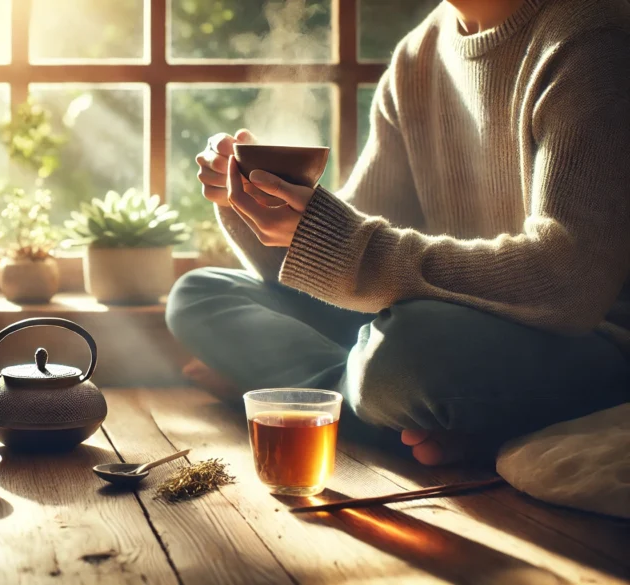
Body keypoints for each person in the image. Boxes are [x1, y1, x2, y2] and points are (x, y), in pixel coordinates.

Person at [167, 0, 630, 465]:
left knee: (404, 352)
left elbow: (570, 282)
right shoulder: (419, 53)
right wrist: (248, 203)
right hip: (445, 318)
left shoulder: (589, 36)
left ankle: (321, 404)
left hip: (585, 337)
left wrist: (342, 247)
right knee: (201, 293)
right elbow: (343, 262)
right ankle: (401, 414)